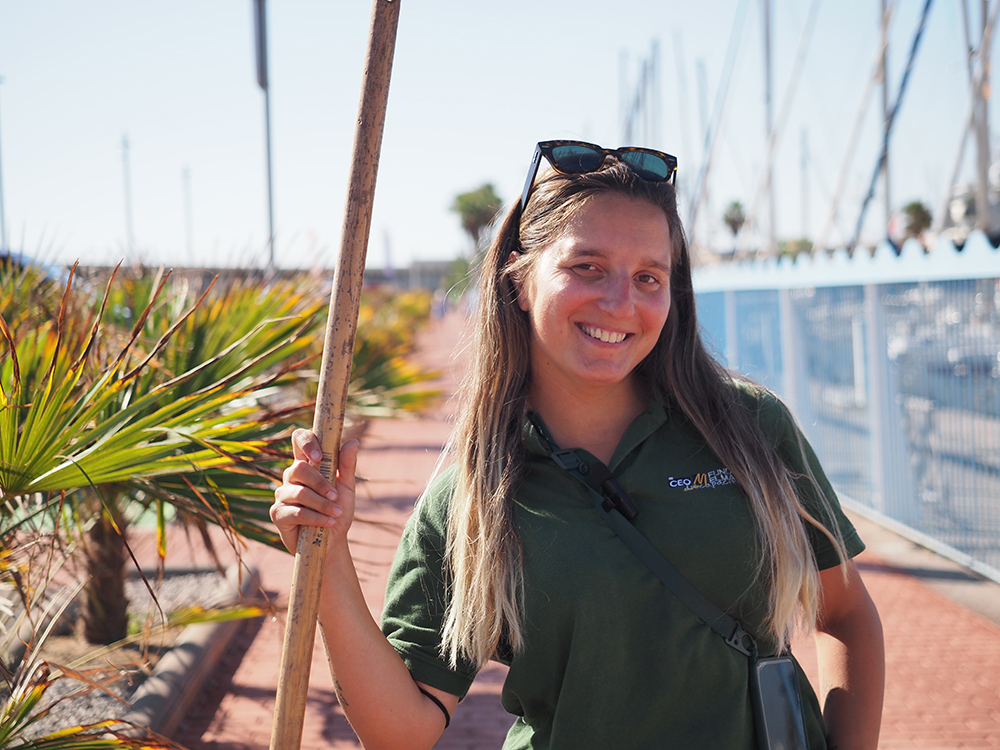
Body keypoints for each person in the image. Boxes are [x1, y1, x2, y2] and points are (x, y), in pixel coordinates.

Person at [271, 140, 885, 750]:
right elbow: (401, 731)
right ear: (519, 278)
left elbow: (846, 614)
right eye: (586, 267)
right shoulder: (473, 492)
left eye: (649, 277)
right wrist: (326, 564)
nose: (621, 303)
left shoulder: (748, 428)